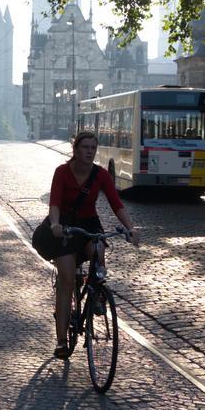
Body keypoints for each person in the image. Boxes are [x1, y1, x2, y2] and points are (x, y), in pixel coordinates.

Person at [47, 131, 139, 359]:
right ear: (76, 150)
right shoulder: (62, 172)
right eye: (85, 147)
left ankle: (96, 292)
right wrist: (55, 224)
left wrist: (130, 228)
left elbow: (116, 204)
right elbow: (55, 203)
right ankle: (61, 341)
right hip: (66, 227)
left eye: (93, 148)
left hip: (89, 223)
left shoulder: (101, 175)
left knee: (98, 251)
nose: (89, 152)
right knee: (67, 279)